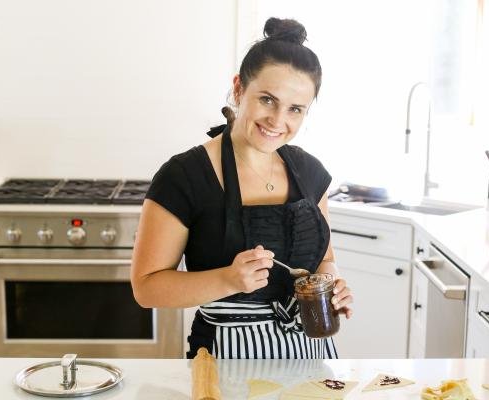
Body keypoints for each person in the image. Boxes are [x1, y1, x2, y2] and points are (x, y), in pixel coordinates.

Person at [130, 17, 352, 359]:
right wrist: (229, 280)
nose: (278, 121)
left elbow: (325, 258)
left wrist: (332, 286)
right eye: (267, 100)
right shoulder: (185, 176)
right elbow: (147, 288)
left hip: (313, 357)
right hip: (225, 358)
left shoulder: (310, 172)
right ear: (238, 89)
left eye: (295, 109)